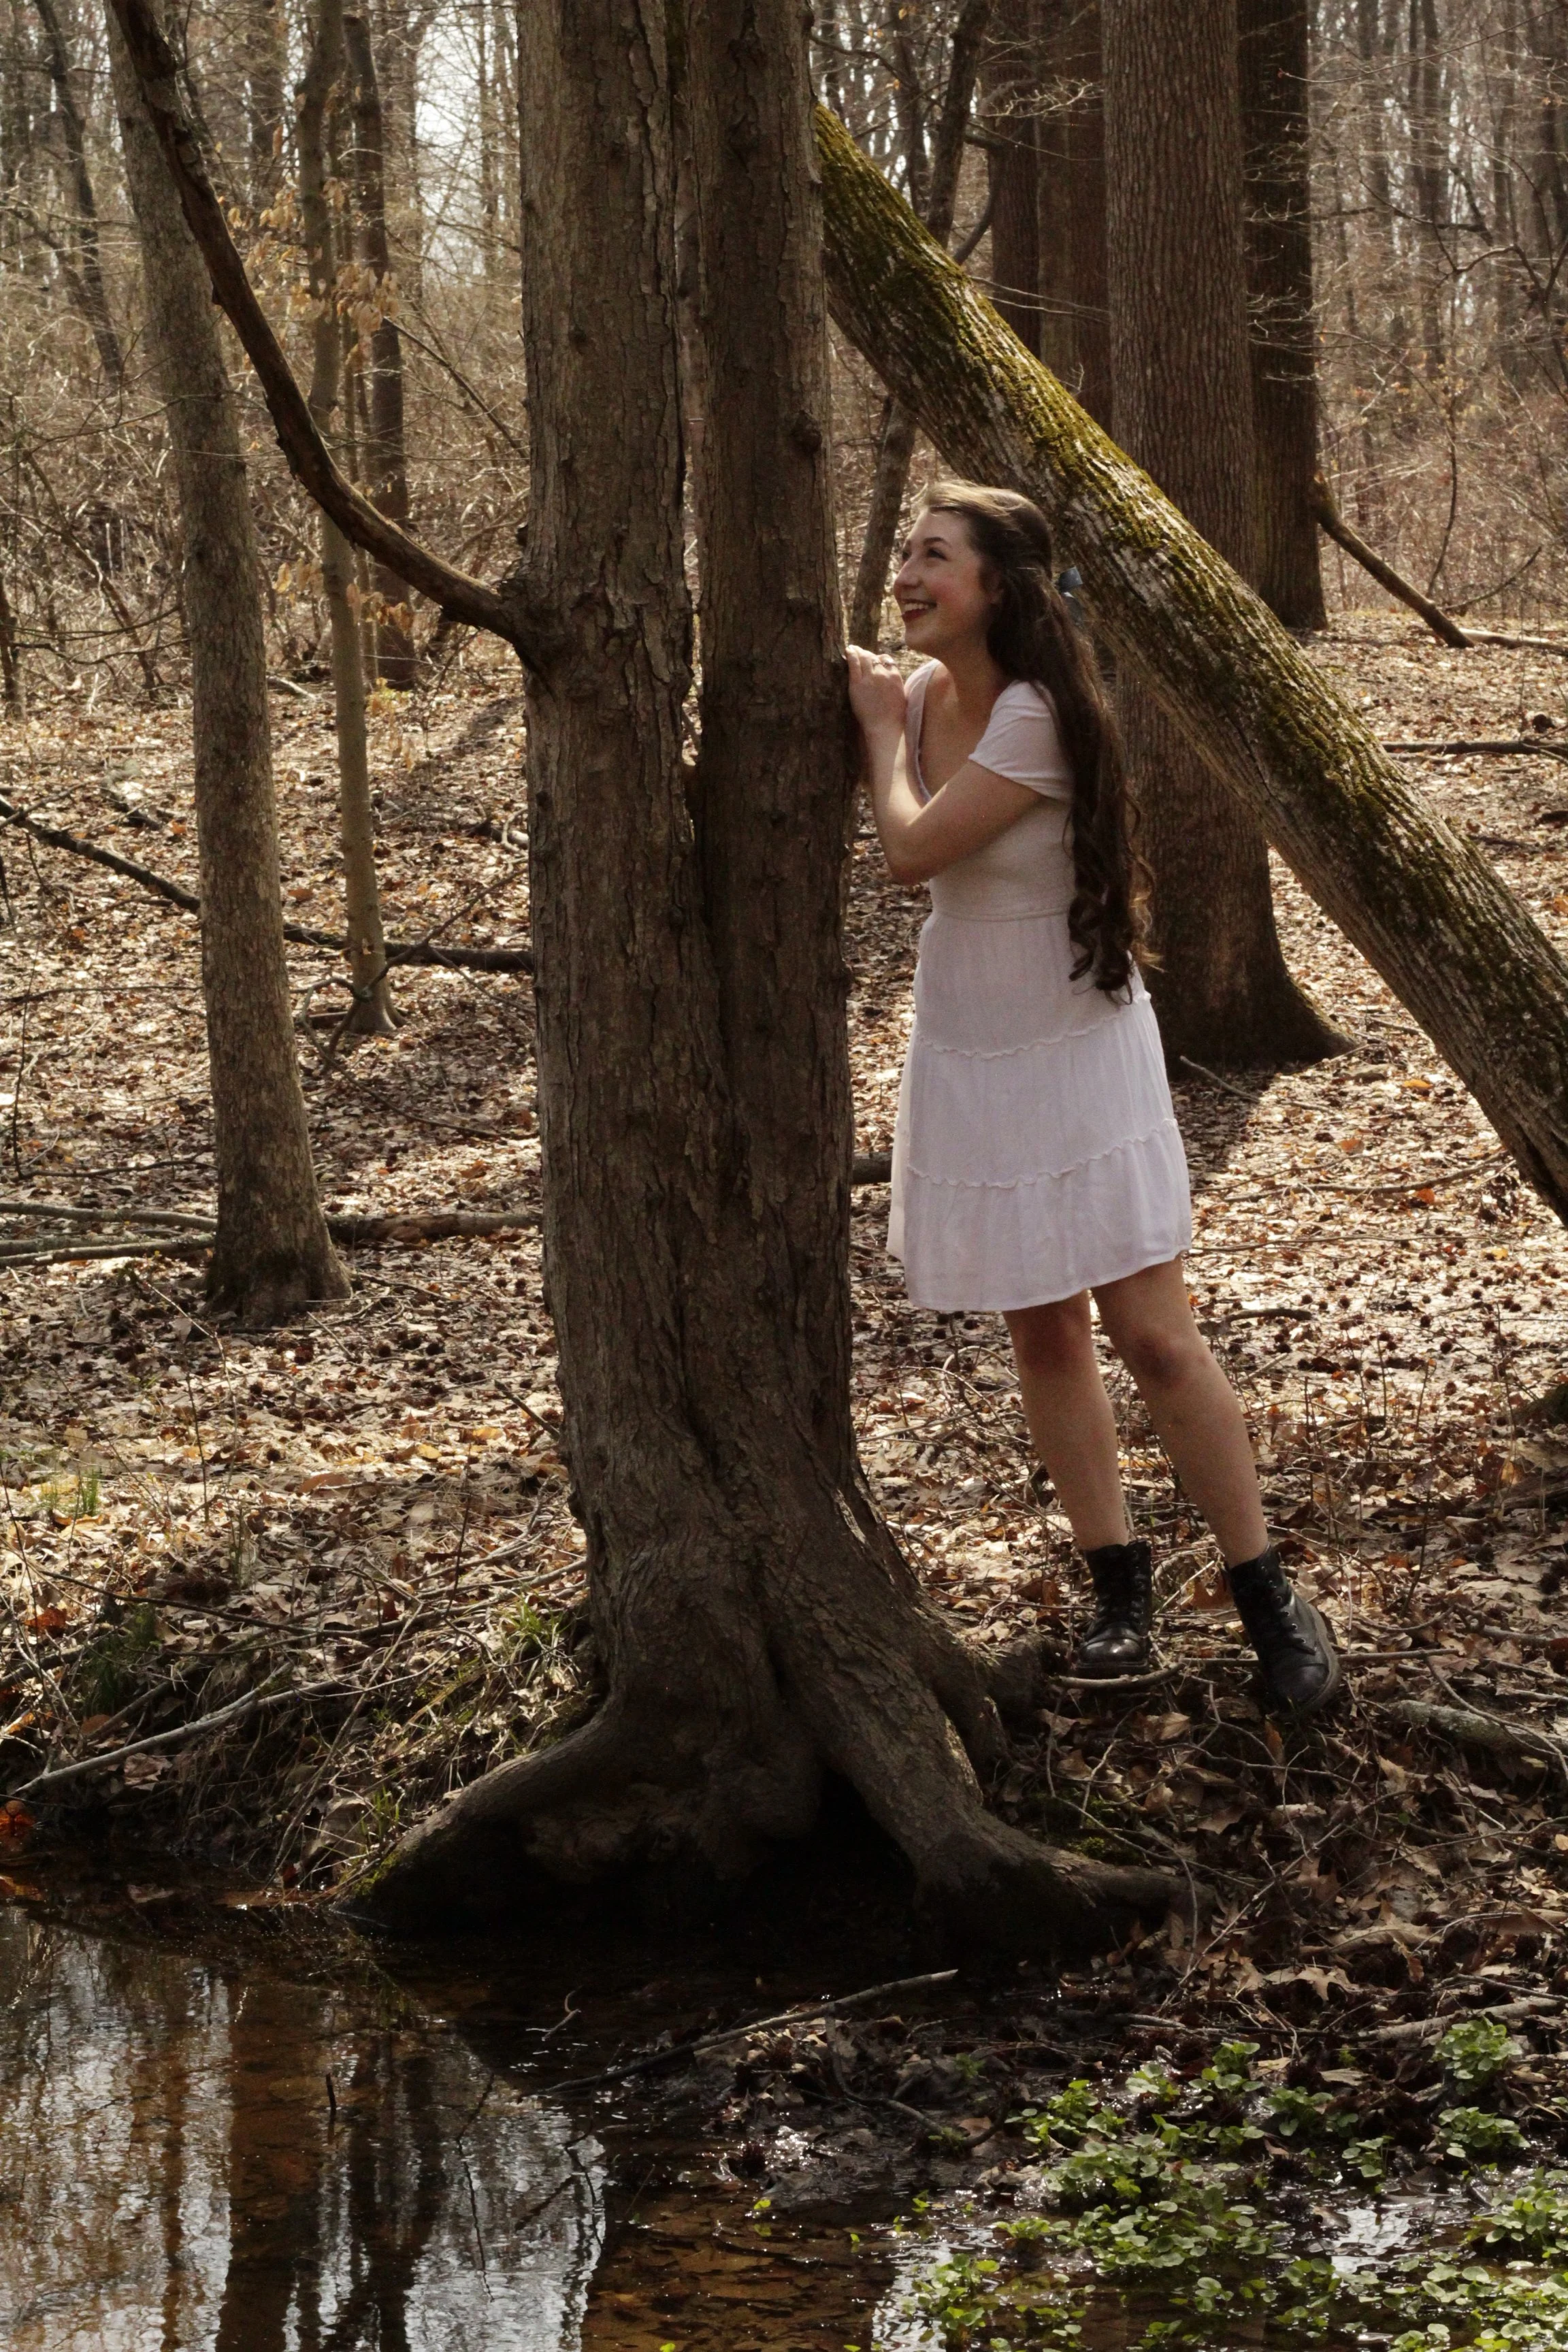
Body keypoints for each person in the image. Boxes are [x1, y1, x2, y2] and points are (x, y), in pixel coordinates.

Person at [847, 480, 1339, 1718]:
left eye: (934, 558)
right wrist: (872, 699)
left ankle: (1268, 1596)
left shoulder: (1033, 716)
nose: (908, 575)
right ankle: (1121, 1592)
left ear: (997, 587)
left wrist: (869, 729)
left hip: (1074, 1038)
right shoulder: (915, 693)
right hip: (970, 1033)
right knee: (1044, 1333)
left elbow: (911, 852)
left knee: (1155, 1336)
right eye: (905, 553)